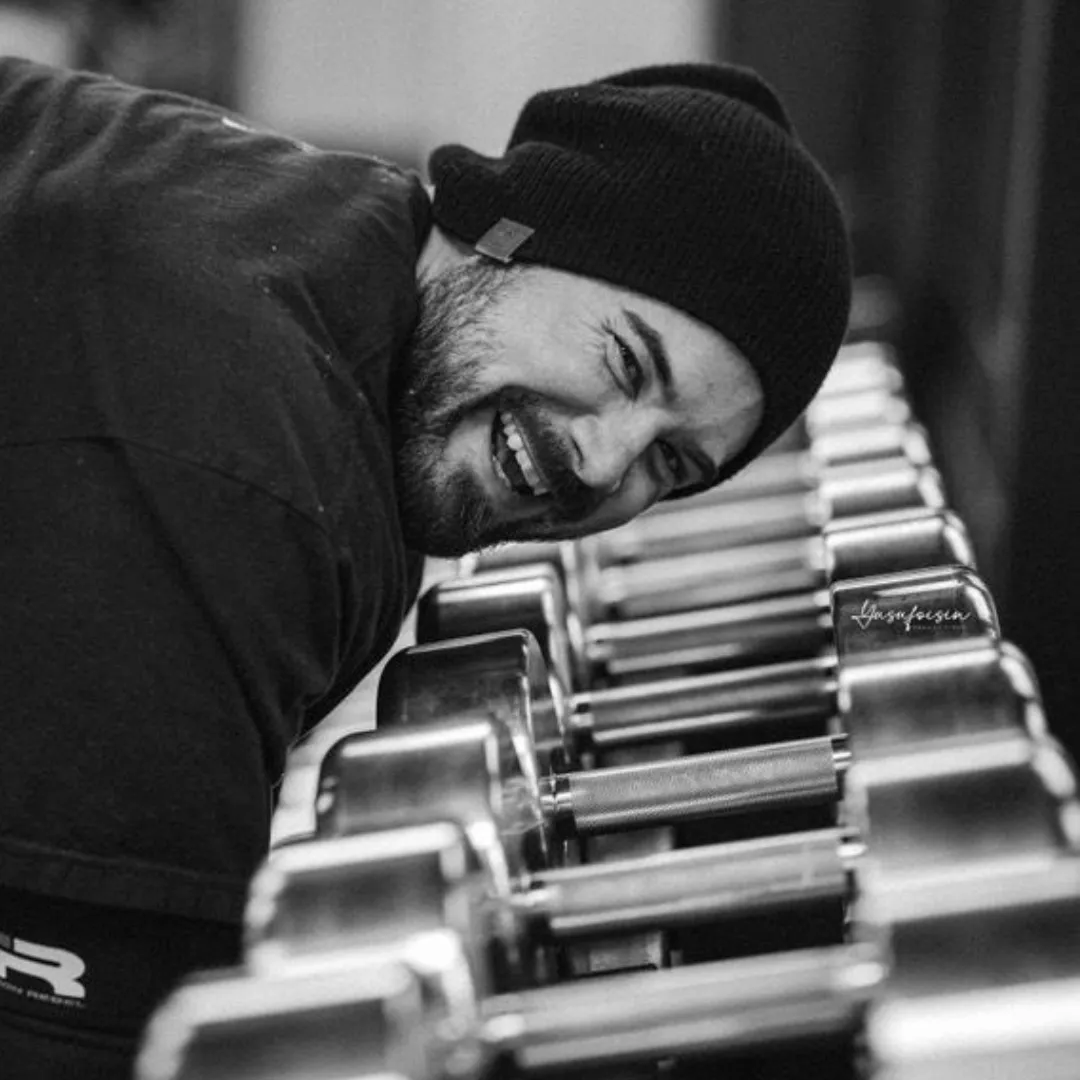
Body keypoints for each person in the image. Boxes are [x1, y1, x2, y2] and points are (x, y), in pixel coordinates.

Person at [0, 55, 851, 1077]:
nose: (601, 464)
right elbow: (97, 1045)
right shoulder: (240, 467)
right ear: (507, 230)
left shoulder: (343, 259)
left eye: (670, 463)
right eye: (625, 360)